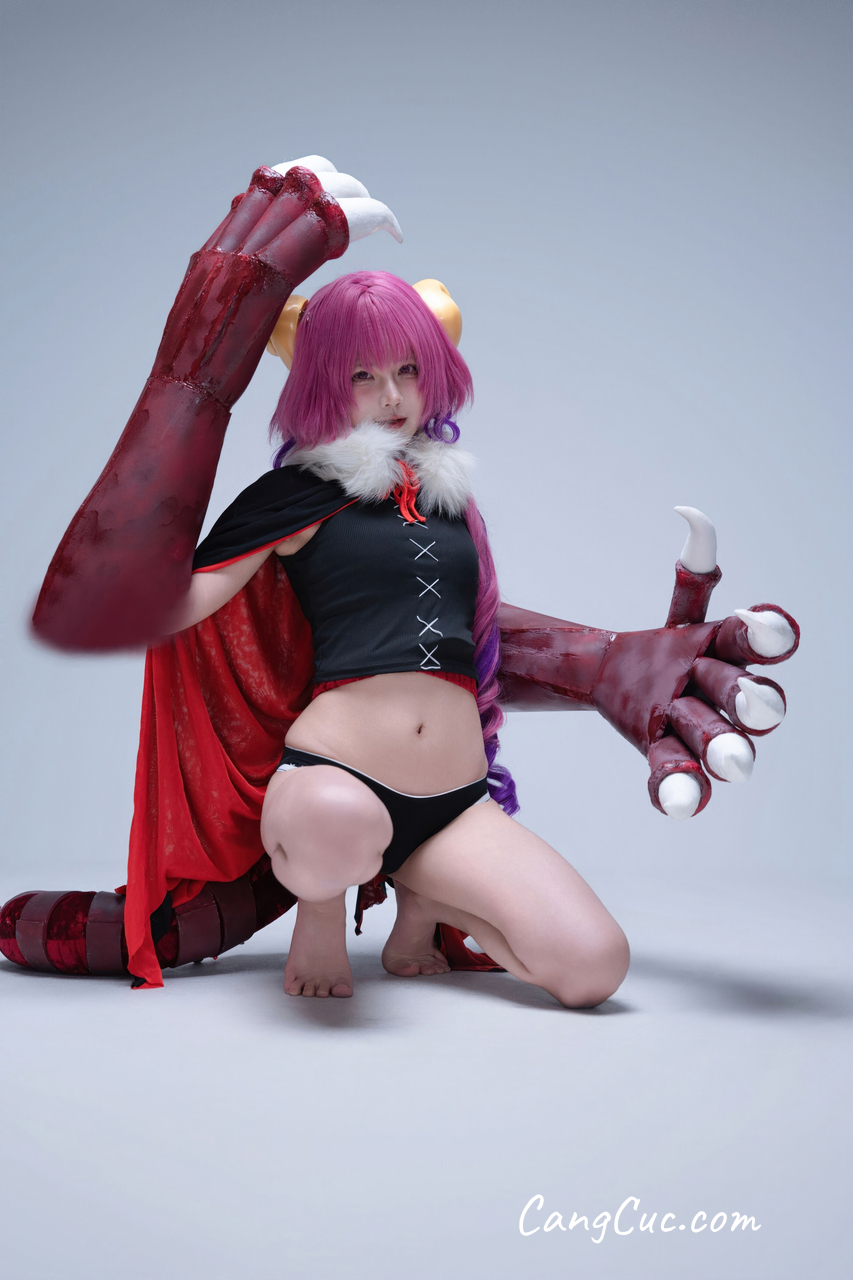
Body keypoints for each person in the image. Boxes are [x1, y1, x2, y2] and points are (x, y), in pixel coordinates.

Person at [9, 159, 797, 1000]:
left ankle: (421, 901)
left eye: (407, 370)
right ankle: (320, 914)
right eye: (362, 375)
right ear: (323, 383)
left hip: (451, 803)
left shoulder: (453, 506)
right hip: (333, 789)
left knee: (594, 968)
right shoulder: (297, 496)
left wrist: (610, 664)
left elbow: (462, 644)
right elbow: (140, 607)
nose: (390, 395)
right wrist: (191, 380)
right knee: (340, 822)